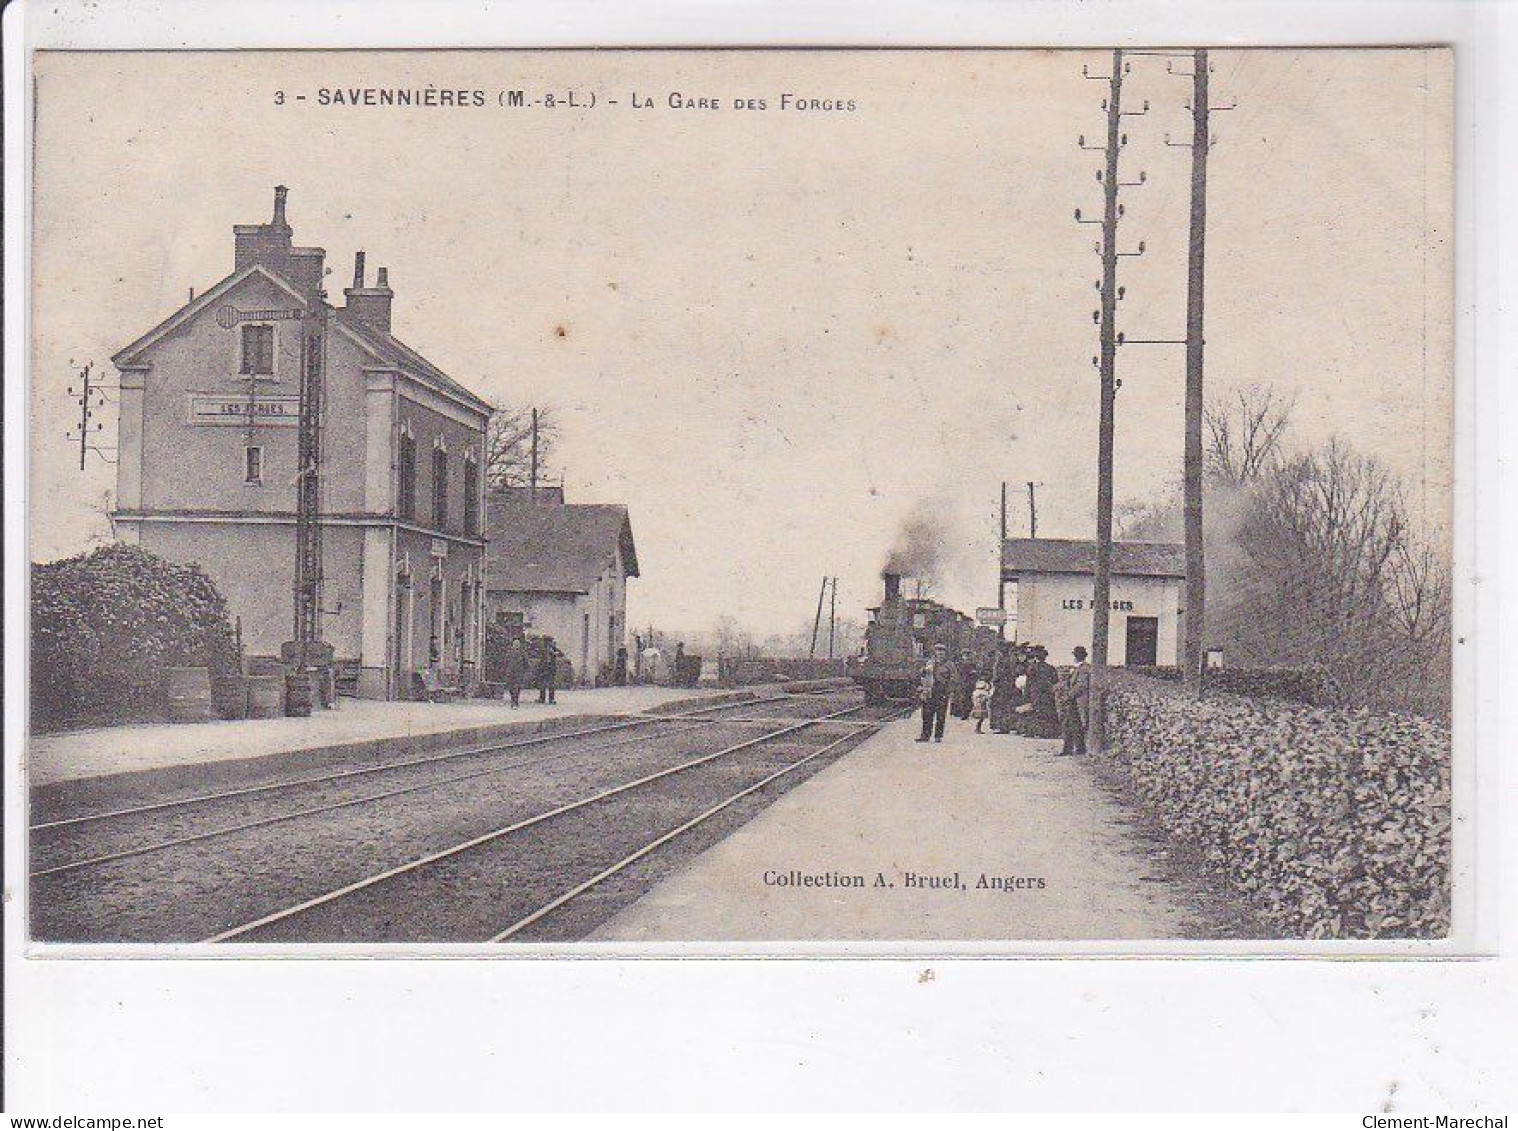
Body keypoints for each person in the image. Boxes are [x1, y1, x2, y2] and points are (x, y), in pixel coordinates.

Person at [915, 642, 958, 744]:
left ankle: (938, 736)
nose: (940, 653)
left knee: (940, 715)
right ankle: (925, 735)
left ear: (945, 653)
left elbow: (954, 678)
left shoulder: (949, 665)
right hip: (929, 691)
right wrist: (924, 671)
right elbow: (921, 674)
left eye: (942, 651)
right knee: (926, 714)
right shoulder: (930, 662)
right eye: (938, 651)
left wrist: (949, 691)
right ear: (935, 652)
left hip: (942, 691)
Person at [1058, 645, 1091, 755]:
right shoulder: (1077, 668)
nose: (1075, 657)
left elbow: (1081, 686)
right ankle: (1068, 749)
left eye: (1076, 655)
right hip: (1073, 700)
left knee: (1075, 725)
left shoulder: (1084, 669)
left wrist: (1069, 695)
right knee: (1069, 724)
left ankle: (1079, 749)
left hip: (1078, 700)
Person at [502, 634, 527, 708]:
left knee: (517, 687)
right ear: (513, 645)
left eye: (517, 644)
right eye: (515, 644)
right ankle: (513, 700)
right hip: (510, 672)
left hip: (519, 673)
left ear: (519, 645)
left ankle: (515, 702)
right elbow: (505, 662)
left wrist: (524, 671)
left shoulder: (523, 653)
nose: (516, 645)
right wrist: (505, 670)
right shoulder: (509, 653)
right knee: (511, 687)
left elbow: (526, 663)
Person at [952, 648, 977, 719]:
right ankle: (962, 713)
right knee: (962, 698)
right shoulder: (960, 663)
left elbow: (975, 672)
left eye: (967, 654)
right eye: (964, 654)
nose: (966, 656)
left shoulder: (971, 663)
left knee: (967, 698)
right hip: (962, 682)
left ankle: (966, 713)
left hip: (968, 683)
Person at [537, 635, 558, 705]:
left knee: (550, 684)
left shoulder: (553, 649)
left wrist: (554, 652)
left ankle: (550, 699)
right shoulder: (543, 649)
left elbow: (559, 654)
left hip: (550, 668)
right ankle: (542, 698)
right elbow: (541, 658)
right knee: (543, 684)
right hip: (545, 668)